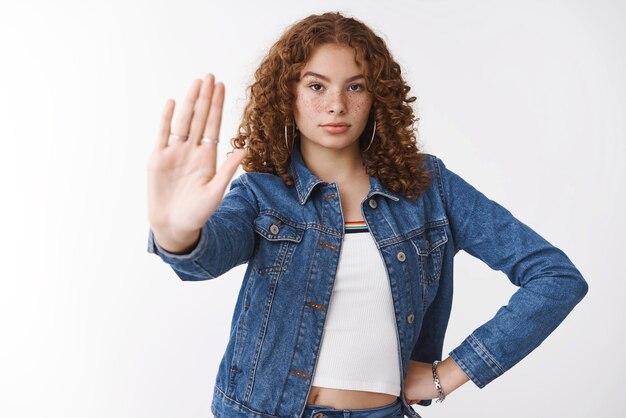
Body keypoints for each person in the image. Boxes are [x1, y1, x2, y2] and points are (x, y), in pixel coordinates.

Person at [146, 12, 588, 418]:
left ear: (378, 97)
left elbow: (555, 277)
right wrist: (175, 232)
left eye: (355, 86)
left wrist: (450, 373)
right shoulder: (261, 193)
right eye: (316, 86)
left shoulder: (430, 187)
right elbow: (207, 255)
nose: (336, 105)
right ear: (288, 95)